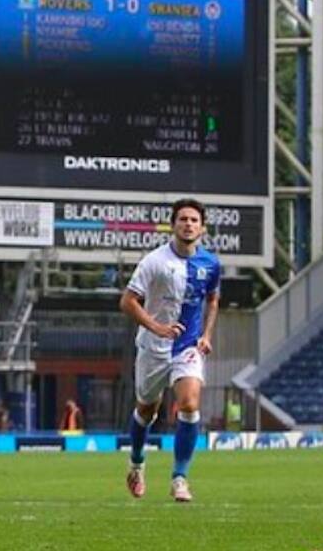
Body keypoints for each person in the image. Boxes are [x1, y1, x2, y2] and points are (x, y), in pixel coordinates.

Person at [118, 198, 220, 503]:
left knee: (189, 404)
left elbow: (213, 299)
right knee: (146, 409)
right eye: (183, 219)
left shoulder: (210, 263)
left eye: (194, 220)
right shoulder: (154, 261)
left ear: (202, 228)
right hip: (153, 347)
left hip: (187, 346)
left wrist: (206, 335)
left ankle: (180, 478)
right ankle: (136, 464)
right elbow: (127, 301)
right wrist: (157, 328)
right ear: (173, 225)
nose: (188, 224)